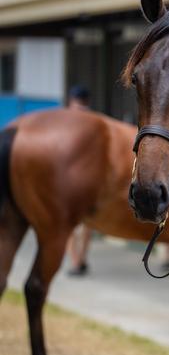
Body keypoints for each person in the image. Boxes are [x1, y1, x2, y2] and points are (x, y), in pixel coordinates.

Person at [66, 85, 93, 276]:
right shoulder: (93, 121)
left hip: (76, 180)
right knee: (81, 224)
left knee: (77, 224)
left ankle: (78, 260)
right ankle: (79, 260)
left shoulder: (68, 121)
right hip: (82, 179)